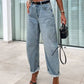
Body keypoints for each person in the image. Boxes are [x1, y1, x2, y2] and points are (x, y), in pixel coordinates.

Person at [26, 0, 66, 84]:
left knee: (50, 46)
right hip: (32, 9)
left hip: (45, 9)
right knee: (31, 44)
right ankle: (34, 71)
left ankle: (55, 75)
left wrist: (62, 12)